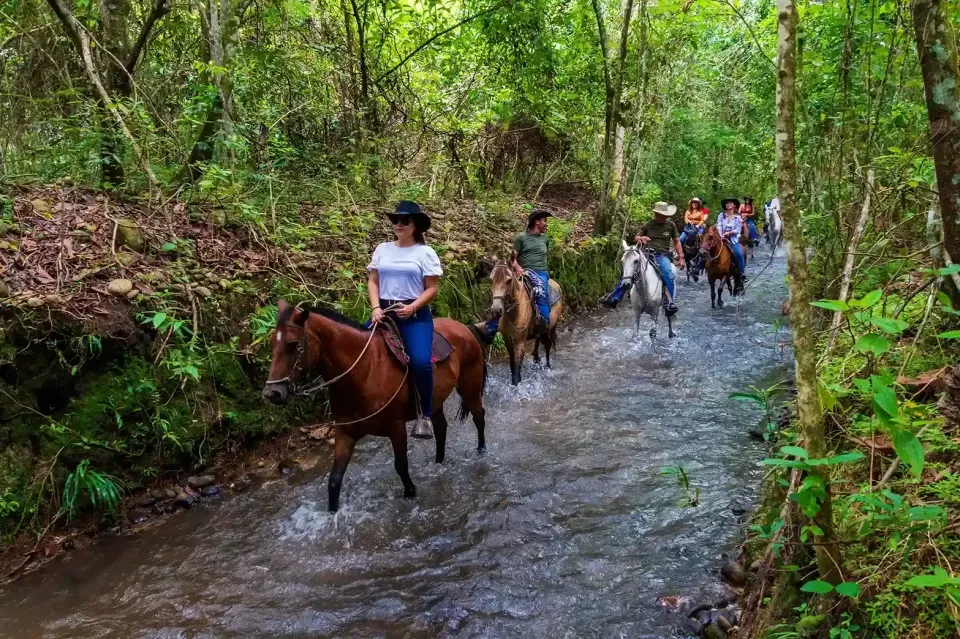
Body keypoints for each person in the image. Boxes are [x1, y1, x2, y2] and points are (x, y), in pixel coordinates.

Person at [367, 201, 442, 439]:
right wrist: (376, 306)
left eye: (404, 221)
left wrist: (412, 307)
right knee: (355, 350)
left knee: (420, 362)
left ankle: (425, 415)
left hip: (414, 314)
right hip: (385, 312)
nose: (398, 224)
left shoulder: (425, 252)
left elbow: (432, 288)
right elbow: (373, 281)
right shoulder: (382, 249)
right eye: (396, 220)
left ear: (415, 225)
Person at [600, 201, 686, 312]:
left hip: (662, 255)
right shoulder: (648, 225)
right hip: (645, 254)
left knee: (668, 274)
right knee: (629, 272)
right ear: (656, 214)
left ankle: (669, 303)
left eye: (664, 215)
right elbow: (636, 237)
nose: (663, 216)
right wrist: (641, 238)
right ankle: (615, 297)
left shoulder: (671, 225)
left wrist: (681, 257)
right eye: (660, 214)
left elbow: (677, 241)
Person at [481, 209, 553, 340]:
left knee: (541, 293)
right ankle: (492, 326)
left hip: (540, 272)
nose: (546, 224)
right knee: (504, 292)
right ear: (537, 222)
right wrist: (518, 267)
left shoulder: (545, 239)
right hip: (523, 271)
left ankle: (543, 323)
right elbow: (513, 259)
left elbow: (544, 257)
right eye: (544, 221)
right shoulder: (521, 238)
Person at [717, 197, 747, 279]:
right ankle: (698, 268)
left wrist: (729, 233)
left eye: (730, 203)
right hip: (721, 237)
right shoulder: (721, 215)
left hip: (733, 239)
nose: (728, 204)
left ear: (734, 205)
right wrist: (721, 236)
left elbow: (738, 229)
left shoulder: (738, 217)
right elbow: (719, 226)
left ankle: (742, 273)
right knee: (707, 248)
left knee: (739, 253)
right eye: (727, 203)